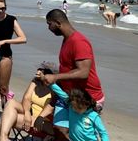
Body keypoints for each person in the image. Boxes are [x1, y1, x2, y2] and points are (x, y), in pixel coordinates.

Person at [41, 9, 105, 139]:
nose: (49, 28)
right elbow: (67, 68)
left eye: (49, 24)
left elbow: (83, 72)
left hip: (88, 98)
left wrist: (55, 77)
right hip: (71, 96)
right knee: (60, 128)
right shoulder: (66, 40)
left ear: (58, 23)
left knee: (81, 134)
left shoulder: (79, 41)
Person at [0, 63, 56, 141]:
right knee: (10, 103)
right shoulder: (36, 81)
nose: (37, 71)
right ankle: (3, 138)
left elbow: (51, 109)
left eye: (41, 70)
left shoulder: (54, 87)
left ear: (47, 74)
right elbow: (26, 98)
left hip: (43, 121)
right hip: (30, 114)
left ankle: (1, 138)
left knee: (5, 116)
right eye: (38, 69)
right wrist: (27, 113)